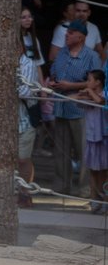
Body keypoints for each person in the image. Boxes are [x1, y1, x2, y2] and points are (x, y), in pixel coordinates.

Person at [49, 20, 102, 195]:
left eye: (71, 33)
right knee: (61, 150)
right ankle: (61, 184)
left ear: (81, 36)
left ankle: (85, 187)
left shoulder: (91, 56)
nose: (67, 35)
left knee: (83, 150)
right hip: (60, 107)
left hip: (80, 109)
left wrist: (70, 86)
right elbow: (54, 72)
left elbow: (95, 83)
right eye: (67, 32)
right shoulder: (62, 53)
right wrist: (53, 83)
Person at [76, 70, 107, 212]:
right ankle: (94, 200)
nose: (87, 83)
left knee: (104, 171)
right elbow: (74, 99)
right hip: (91, 137)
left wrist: (89, 91)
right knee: (93, 170)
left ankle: (105, 200)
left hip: (103, 138)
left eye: (89, 80)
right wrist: (83, 93)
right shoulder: (89, 95)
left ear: (98, 82)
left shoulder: (104, 94)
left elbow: (100, 101)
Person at [17, 33, 43, 207]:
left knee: (23, 159)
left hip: (24, 119)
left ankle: (24, 192)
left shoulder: (28, 63)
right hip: (6, 122)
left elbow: (26, 92)